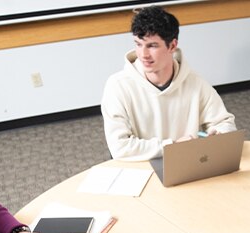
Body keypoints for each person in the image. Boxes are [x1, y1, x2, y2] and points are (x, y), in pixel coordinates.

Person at [101, 5, 237, 161]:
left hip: (184, 164)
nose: (143, 54)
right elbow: (120, 147)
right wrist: (172, 146)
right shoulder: (117, 86)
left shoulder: (195, 83)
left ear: (172, 46)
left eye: (152, 46)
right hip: (139, 167)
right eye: (138, 44)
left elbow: (225, 123)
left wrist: (219, 134)